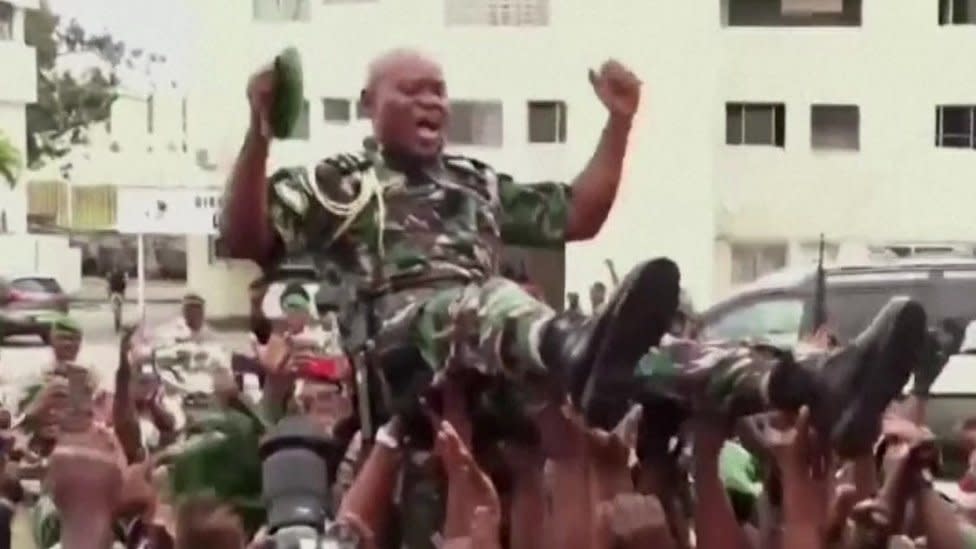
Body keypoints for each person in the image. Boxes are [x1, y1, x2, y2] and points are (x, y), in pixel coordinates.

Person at [220, 48, 682, 424]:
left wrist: (619, 123)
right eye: (410, 90)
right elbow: (244, 239)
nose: (430, 102)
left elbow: (579, 215)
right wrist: (259, 134)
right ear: (369, 105)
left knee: (658, 364)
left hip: (486, 356)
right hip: (402, 362)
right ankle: (566, 345)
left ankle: (734, 379)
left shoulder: (476, 182)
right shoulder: (340, 183)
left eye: (438, 92)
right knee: (487, 303)